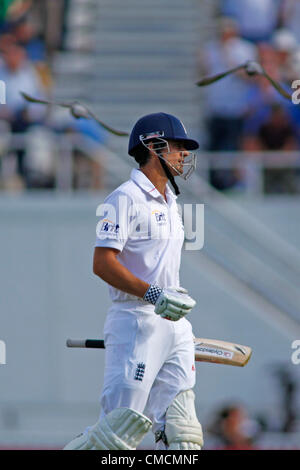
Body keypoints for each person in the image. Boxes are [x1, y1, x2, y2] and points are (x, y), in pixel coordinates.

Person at [63, 112, 203, 451]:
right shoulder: (125, 197)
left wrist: (169, 295)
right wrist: (153, 293)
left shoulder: (171, 201)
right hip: (136, 321)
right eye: (178, 146)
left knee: (182, 434)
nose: (184, 154)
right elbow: (102, 263)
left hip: (175, 324)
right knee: (116, 436)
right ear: (154, 146)